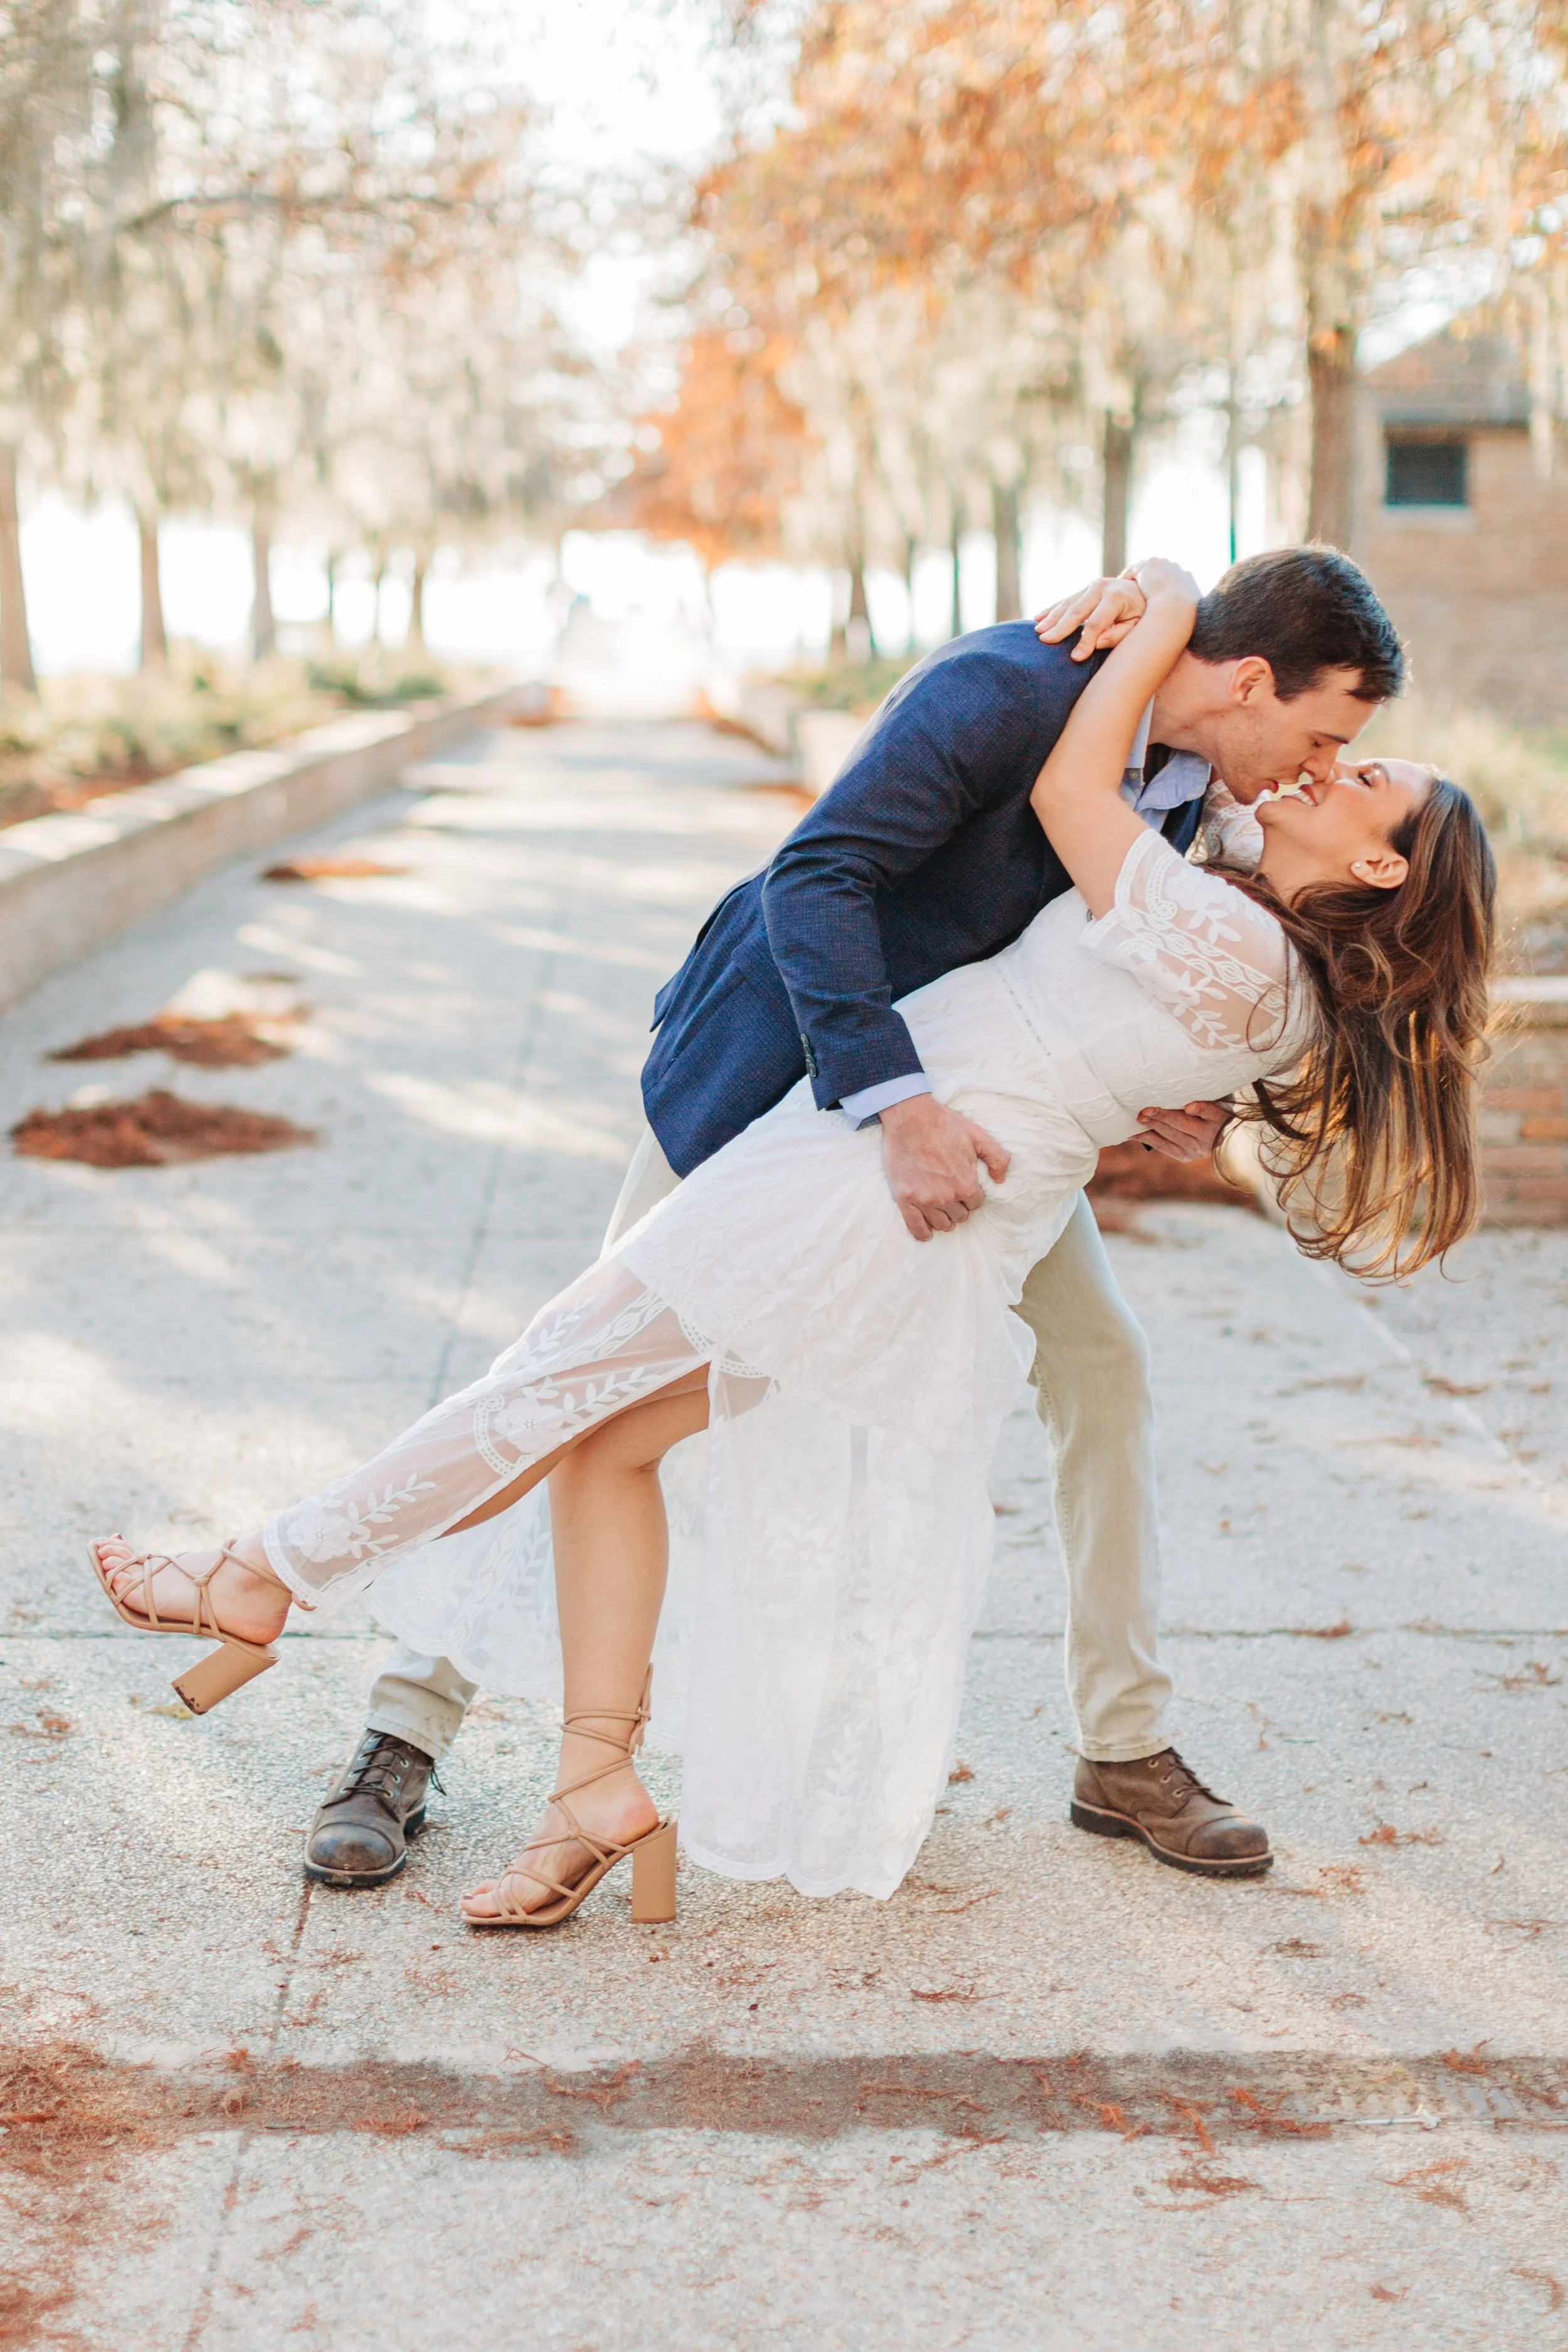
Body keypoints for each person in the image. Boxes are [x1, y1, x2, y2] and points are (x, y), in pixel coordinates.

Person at [88, 558, 1495, 1924]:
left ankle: (1118, 1744)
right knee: (572, 1404)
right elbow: (819, 874)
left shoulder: (1221, 821)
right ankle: (436, 1732)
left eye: (1347, 764)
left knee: (629, 1386)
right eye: (1322, 736)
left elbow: (1171, 945)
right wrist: (926, 1095)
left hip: (934, 1168)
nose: (1309, 770)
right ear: (1248, 680)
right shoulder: (1017, 689)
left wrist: (1133, 1081)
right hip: (819, 1082)